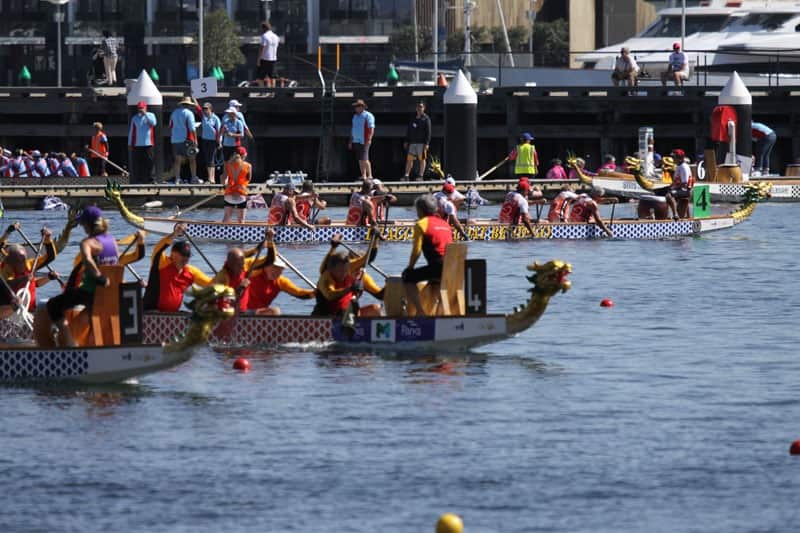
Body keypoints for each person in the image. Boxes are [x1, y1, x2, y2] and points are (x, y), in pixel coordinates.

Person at [46, 206, 119, 347]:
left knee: (53, 305)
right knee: (84, 313)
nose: (83, 228)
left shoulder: (88, 243)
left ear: (88, 225)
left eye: (83, 224)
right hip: (110, 293)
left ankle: (68, 345)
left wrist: (98, 276)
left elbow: (86, 259)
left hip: (91, 292)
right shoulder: (112, 241)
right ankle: (89, 344)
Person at [240, 230, 315, 315]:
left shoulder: (281, 282)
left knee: (275, 311)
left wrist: (316, 293)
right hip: (240, 311)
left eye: (280, 269)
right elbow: (240, 258)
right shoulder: (253, 271)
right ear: (266, 265)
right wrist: (268, 241)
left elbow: (300, 293)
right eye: (274, 267)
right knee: (275, 311)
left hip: (258, 315)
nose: (277, 271)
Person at [142, 224, 213, 313]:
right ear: (173, 254)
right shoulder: (162, 263)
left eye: (187, 258)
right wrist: (175, 234)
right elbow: (159, 248)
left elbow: (211, 283)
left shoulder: (190, 271)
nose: (185, 262)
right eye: (182, 258)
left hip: (173, 315)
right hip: (151, 312)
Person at [402, 195, 453, 316]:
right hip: (453, 266)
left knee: (407, 277)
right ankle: (439, 313)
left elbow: (416, 251)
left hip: (438, 266)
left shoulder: (421, 224)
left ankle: (420, 312)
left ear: (420, 210)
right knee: (433, 279)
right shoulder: (445, 224)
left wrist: (409, 268)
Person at [312, 233, 383, 318]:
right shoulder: (329, 274)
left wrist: (394, 285)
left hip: (347, 313)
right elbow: (330, 295)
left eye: (361, 267)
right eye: (356, 267)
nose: (358, 271)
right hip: (326, 315)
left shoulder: (363, 277)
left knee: (376, 309)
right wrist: (333, 247)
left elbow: (381, 295)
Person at [0, 224, 58, 313]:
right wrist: (23, 279)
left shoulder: (29, 264)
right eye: (19, 261)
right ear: (10, 261)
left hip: (30, 310)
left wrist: (47, 239)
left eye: (24, 259)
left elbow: (50, 257)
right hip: (10, 311)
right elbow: (7, 285)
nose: (22, 263)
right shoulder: (6, 268)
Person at [169, 96, 201, 184]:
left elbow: (170, 126)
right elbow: (192, 128)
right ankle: (194, 177)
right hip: (187, 139)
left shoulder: (174, 113)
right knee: (192, 159)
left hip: (175, 139)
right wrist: (195, 140)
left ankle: (177, 179)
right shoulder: (189, 113)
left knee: (177, 160)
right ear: (188, 105)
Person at [129, 101, 158, 184]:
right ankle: (138, 180)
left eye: (142, 108)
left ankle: (151, 179)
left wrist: (145, 114)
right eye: (139, 108)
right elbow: (132, 131)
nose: (140, 110)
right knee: (138, 163)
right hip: (137, 144)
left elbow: (154, 123)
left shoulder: (151, 115)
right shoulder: (134, 118)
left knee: (150, 162)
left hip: (148, 143)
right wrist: (130, 143)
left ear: (145, 108)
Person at [223, 147, 252, 224]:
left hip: (229, 193)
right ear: (244, 155)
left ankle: (223, 233)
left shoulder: (227, 164)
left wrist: (225, 185)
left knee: (226, 218)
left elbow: (223, 178)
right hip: (241, 194)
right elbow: (248, 179)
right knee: (241, 220)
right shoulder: (248, 166)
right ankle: (241, 234)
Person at [661, 148, 693, 219]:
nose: (673, 159)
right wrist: (671, 187)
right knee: (659, 191)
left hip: (686, 190)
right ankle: (664, 215)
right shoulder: (678, 166)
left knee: (669, 195)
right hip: (681, 188)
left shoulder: (684, 167)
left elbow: (684, 183)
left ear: (680, 158)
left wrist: (673, 188)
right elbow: (676, 181)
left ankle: (675, 215)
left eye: (674, 157)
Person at [403, 101, 431, 181]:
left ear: (424, 108)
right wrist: (406, 140)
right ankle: (406, 175)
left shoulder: (426, 119)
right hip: (412, 142)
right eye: (418, 107)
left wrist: (427, 143)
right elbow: (409, 130)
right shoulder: (413, 118)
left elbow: (428, 132)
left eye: (421, 107)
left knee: (422, 159)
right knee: (409, 159)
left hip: (422, 143)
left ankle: (421, 175)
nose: (419, 108)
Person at [348, 99, 375, 180]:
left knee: (365, 158)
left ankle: (370, 175)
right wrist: (350, 141)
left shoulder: (368, 115)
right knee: (360, 159)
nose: (356, 108)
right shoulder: (355, 116)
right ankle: (363, 175)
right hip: (356, 140)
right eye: (355, 107)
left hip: (365, 140)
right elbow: (353, 128)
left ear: (362, 107)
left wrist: (369, 139)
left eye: (357, 106)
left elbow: (371, 128)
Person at [199, 102, 221, 183]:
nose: (205, 110)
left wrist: (219, 142)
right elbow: (197, 108)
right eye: (204, 109)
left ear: (211, 109)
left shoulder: (215, 118)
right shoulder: (203, 117)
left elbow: (219, 131)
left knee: (211, 159)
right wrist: (193, 99)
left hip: (213, 141)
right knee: (207, 159)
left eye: (206, 109)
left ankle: (212, 178)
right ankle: (210, 177)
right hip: (205, 140)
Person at [257, 22, 280, 88]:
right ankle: (273, 92)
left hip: (265, 59)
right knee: (272, 76)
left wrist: (258, 60)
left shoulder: (264, 36)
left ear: (263, 28)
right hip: (273, 59)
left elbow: (261, 48)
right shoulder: (276, 36)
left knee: (260, 77)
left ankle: (262, 91)